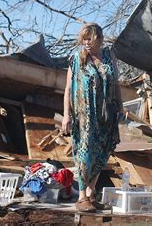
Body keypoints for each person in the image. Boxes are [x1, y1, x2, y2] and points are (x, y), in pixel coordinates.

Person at [62, 23, 122, 212]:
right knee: (85, 153)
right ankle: (81, 196)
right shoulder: (76, 59)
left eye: (90, 39)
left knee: (102, 152)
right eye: (83, 39)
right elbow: (68, 89)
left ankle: (90, 193)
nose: (86, 43)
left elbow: (116, 83)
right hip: (84, 115)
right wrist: (66, 115)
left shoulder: (109, 55)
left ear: (99, 38)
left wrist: (120, 106)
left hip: (106, 114)